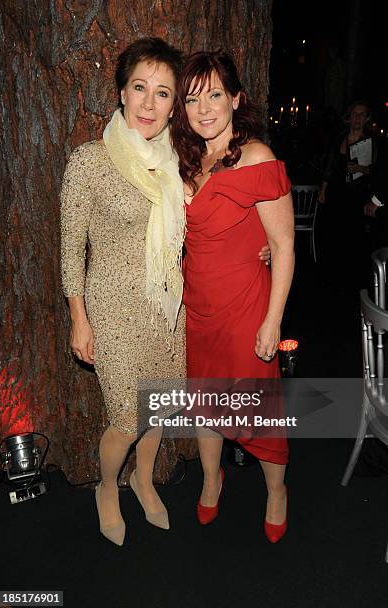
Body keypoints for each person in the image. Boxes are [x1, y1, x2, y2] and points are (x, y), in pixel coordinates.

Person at [60, 38, 271, 546]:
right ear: (121, 93)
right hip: (112, 310)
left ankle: (143, 478)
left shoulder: (179, 159)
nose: (150, 104)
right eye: (140, 89)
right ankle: (107, 486)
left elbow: (217, 216)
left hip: (169, 307)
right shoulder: (89, 161)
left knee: (163, 405)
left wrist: (259, 246)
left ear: (174, 102)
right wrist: (79, 319)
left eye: (163, 93)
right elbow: (70, 250)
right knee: (127, 416)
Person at [171, 51, 295, 543]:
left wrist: (273, 321)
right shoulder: (185, 159)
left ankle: (278, 492)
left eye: (215, 95)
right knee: (205, 404)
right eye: (193, 98)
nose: (204, 109)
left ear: (236, 99)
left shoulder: (258, 157)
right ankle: (209, 479)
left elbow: (284, 246)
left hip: (246, 308)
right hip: (197, 308)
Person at [318, 101, 377, 288]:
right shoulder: (339, 137)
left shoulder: (371, 141)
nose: (357, 118)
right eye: (355, 114)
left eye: (362, 114)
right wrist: (323, 189)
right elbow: (330, 164)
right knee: (334, 233)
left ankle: (352, 279)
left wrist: (361, 168)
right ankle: (333, 277)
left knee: (353, 236)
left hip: (357, 194)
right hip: (336, 192)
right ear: (349, 116)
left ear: (367, 119)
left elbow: (377, 172)